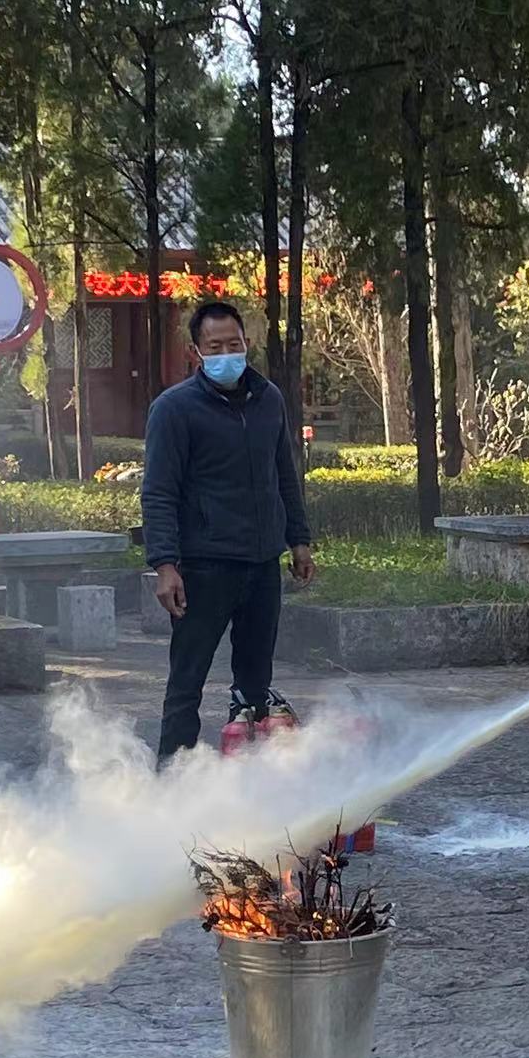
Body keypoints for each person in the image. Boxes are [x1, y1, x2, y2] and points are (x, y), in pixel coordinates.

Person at [142, 301, 314, 764]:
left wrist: (298, 539)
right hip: (203, 567)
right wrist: (165, 565)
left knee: (256, 682)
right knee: (187, 684)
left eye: (233, 345)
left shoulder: (269, 399)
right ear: (196, 351)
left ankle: (253, 781)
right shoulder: (174, 409)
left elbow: (284, 474)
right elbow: (158, 492)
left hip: (261, 565)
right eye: (214, 346)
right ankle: (172, 783)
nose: (226, 354)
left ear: (247, 344)